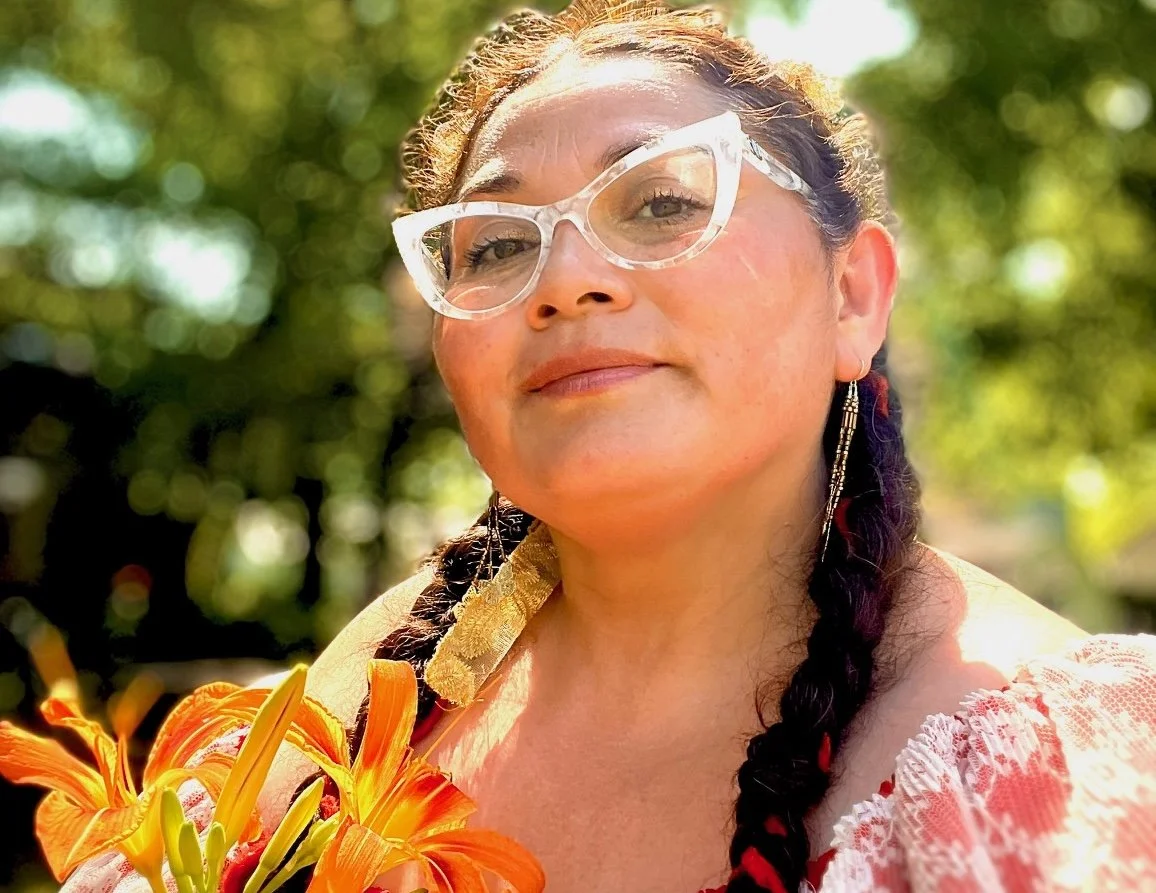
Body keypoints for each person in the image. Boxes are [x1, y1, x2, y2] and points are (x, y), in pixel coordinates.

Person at [60, 1, 1156, 891]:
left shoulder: (1059, 772)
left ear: (853, 294)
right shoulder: (373, 687)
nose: (565, 277)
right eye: (493, 243)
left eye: (662, 201)